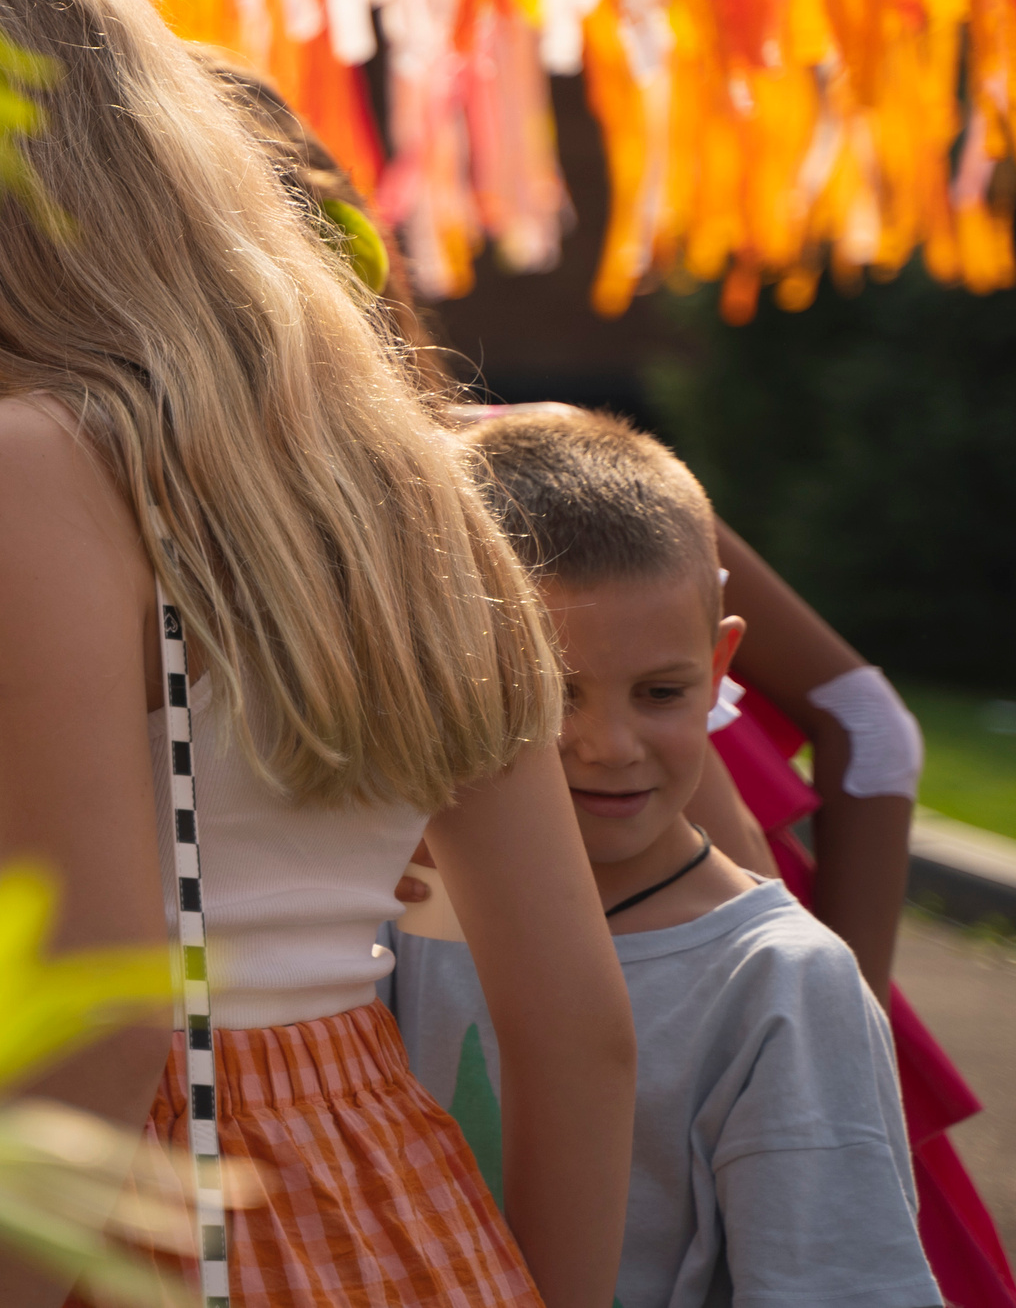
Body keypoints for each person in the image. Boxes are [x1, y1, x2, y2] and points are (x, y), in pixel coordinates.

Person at [0, 0, 635, 1308]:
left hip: (119, 1205)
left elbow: (97, 1001)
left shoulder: (21, 459)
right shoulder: (394, 465)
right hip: (393, 1210)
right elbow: (580, 1025)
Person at [385, 409, 937, 1307]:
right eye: (554, 691)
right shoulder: (389, 916)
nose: (608, 744)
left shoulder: (782, 984)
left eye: (661, 692)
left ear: (721, 667)